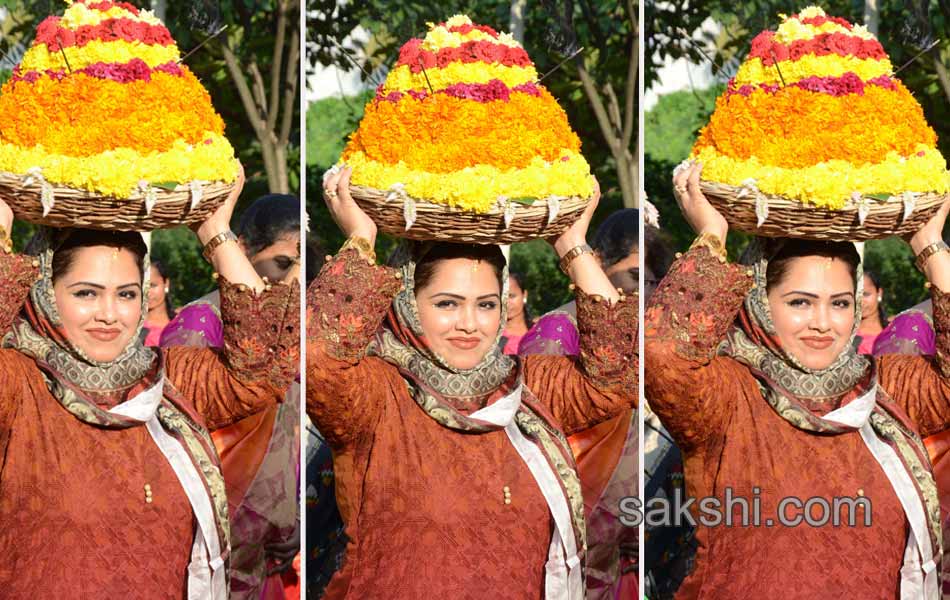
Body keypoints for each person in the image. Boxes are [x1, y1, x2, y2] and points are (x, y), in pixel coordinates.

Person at [307, 166, 636, 599]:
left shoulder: (529, 386)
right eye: (447, 303)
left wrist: (572, 245)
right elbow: (313, 355)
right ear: (407, 301)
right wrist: (362, 238)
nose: (469, 324)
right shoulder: (374, 393)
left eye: (485, 305)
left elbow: (622, 371)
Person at [645, 161, 950, 598]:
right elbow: (662, 354)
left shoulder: (885, 389)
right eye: (800, 303)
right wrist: (712, 233)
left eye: (841, 304)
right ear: (759, 300)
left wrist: (930, 245)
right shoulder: (727, 395)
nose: (823, 324)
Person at [0, 165, 300, 598]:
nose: (110, 313)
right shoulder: (19, 384)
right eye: (86, 293)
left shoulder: (166, 379)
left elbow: (268, 362)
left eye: (126, 293)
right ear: (45, 292)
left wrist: (215, 231)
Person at [160, 193, 302, 600]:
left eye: (303, 266)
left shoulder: (295, 329)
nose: (294, 279)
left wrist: (288, 517)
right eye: (283, 263)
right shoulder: (199, 322)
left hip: (273, 553)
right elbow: (181, 441)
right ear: (241, 249)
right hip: (214, 551)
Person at [518, 207, 644, 600]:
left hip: (626, 551)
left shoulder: (653, 331)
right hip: (566, 554)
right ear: (598, 263)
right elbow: (536, 445)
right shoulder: (558, 331)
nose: (645, 291)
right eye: (635, 276)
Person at [144, 259, 175, 346]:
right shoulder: (132, 328)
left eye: (152, 285)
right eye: (142, 287)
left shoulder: (181, 323)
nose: (147, 293)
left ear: (166, 284)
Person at [857, 269, 888, 354]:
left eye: (865, 294)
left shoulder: (893, 332)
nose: (860, 301)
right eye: (855, 295)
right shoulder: (843, 334)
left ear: (879, 293)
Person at [501, 271, 532, 354]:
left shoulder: (539, 331)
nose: (506, 303)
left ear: (524, 295)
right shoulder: (490, 334)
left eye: (511, 296)